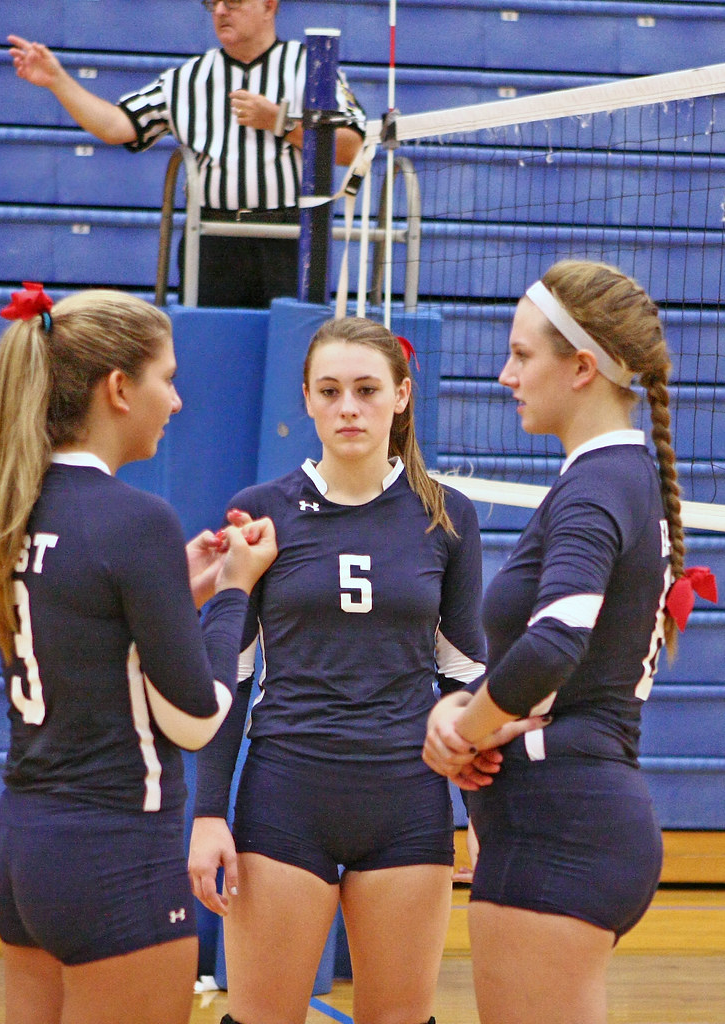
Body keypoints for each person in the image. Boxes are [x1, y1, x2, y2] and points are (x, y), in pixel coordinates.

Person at [187, 316, 541, 1024]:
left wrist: (482, 811)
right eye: (331, 390)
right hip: (287, 795)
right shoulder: (261, 514)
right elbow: (233, 673)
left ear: (402, 396)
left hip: (407, 800)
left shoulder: (447, 516)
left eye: (366, 389)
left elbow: (464, 673)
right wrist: (205, 814)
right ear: (309, 401)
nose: (349, 406)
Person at [0, 282, 277, 1024]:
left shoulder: (11, 502)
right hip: (109, 854)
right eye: (166, 379)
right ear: (117, 389)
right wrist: (234, 592)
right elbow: (196, 720)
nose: (174, 401)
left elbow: (92, 637)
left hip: (18, 847)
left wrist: (182, 592)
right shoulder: (136, 520)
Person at [423, 259, 717, 1024]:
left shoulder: (598, 483)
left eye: (522, 354)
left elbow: (557, 642)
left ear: (582, 367)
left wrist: (464, 729)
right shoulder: (619, 477)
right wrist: (470, 708)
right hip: (576, 818)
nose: (503, 374)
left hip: (560, 829)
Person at [7, 0, 366, 308]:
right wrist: (58, 80)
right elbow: (117, 126)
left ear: (269, 5)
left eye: (233, 2)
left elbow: (353, 146)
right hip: (213, 241)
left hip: (291, 239)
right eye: (213, 3)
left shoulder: (312, 68)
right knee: (215, 358)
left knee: (294, 356)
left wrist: (280, 122)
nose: (221, 11)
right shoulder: (188, 78)